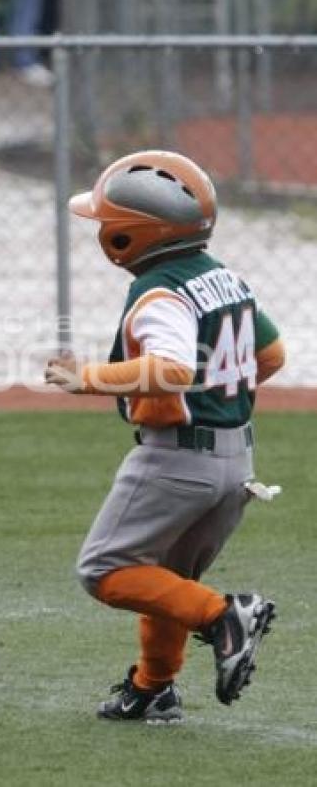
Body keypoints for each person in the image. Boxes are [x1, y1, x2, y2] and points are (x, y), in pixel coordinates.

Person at [44, 150, 284, 723]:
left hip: (179, 460)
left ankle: (224, 616)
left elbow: (174, 369)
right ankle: (153, 687)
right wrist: (221, 392)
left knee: (104, 569)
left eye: (108, 221)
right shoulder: (223, 275)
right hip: (237, 459)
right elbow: (271, 356)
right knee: (166, 578)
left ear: (132, 234)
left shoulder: (157, 291)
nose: (102, 229)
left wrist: (90, 379)